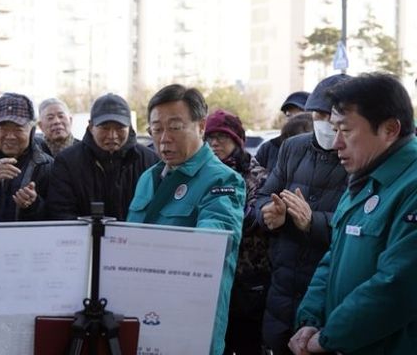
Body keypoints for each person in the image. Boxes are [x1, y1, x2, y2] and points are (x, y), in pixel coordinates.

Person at [290, 73, 417, 355]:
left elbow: (398, 285)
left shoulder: (410, 187)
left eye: (345, 131)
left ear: (390, 129)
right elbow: (332, 258)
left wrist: (329, 337)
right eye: (334, 129)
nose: (336, 142)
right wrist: (310, 320)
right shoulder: (363, 180)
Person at [126, 84, 246, 355]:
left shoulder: (222, 179)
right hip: (141, 312)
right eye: (156, 129)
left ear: (201, 126)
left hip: (189, 319)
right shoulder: (148, 178)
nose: (164, 139)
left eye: (175, 127)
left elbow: (214, 242)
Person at [254, 74, 350, 355]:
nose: (323, 123)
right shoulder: (293, 147)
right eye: (317, 115)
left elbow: (356, 225)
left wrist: (313, 222)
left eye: (329, 116)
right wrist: (269, 213)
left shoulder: (358, 154)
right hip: (282, 283)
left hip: (326, 290)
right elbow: (264, 196)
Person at [204, 109, 270, 355]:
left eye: (222, 137)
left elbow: (255, 217)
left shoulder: (256, 175)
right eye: (210, 137)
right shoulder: (204, 173)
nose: (214, 143)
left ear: (238, 140)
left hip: (248, 278)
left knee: (247, 344)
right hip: (212, 276)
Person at [47, 93, 158, 220]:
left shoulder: (151, 160)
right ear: (91, 127)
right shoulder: (67, 162)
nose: (112, 135)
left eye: (120, 128)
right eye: (104, 128)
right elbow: (60, 212)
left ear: (130, 126)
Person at [0, 92, 53, 221]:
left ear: (32, 131)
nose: (10, 136)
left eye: (18, 129)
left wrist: (33, 205)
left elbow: (55, 213)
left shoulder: (46, 165)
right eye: (3, 129)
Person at [256, 91, 310, 172]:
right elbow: (253, 174)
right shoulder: (269, 148)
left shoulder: (321, 150)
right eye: (288, 115)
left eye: (299, 115)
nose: (293, 120)